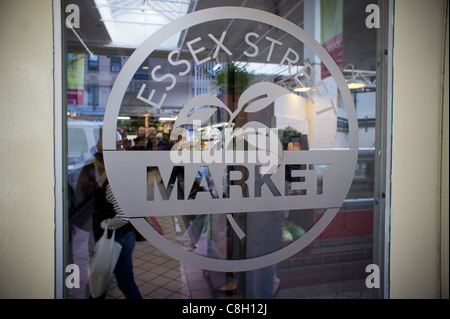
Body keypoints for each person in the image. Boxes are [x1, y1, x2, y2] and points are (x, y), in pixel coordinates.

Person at [91, 138, 142, 299]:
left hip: (120, 238)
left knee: (122, 280)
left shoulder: (111, 183)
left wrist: (106, 224)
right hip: (122, 237)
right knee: (117, 278)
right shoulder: (117, 178)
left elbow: (124, 216)